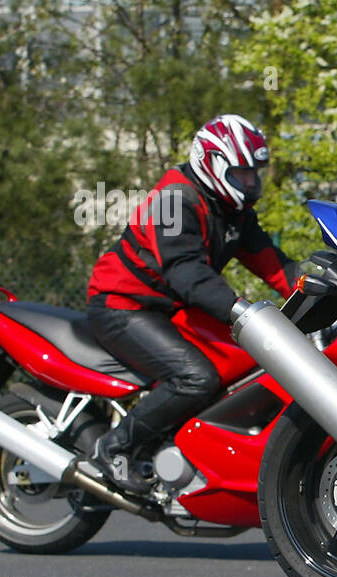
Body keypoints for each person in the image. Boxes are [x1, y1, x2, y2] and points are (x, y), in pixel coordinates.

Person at [85, 114, 300, 491]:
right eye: (242, 174)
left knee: (248, 363)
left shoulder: (231, 208)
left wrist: (315, 291)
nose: (251, 183)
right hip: (124, 306)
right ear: (213, 164)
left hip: (170, 308)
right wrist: (241, 309)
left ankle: (182, 446)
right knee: (196, 378)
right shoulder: (173, 200)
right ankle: (114, 448)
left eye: (254, 174)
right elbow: (184, 273)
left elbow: (270, 261)